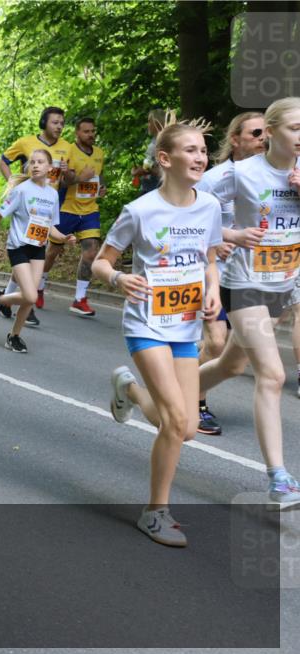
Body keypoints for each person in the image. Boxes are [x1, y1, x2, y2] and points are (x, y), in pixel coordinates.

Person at [92, 114, 223, 547]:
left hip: (185, 326)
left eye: (203, 150)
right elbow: (102, 261)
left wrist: (213, 291)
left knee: (185, 428)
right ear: (165, 159)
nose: (200, 157)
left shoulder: (210, 207)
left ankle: (129, 389)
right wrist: (118, 278)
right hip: (146, 323)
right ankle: (155, 513)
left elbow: (209, 260)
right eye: (191, 150)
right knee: (177, 420)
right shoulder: (140, 210)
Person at [198, 97, 300, 508]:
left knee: (231, 365)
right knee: (272, 375)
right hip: (245, 285)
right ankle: (279, 479)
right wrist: (227, 235)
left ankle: (160, 392)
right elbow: (187, 202)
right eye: (295, 128)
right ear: (271, 133)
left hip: (283, 285)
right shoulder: (240, 173)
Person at [193, 111, 266, 435]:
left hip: (252, 275)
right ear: (235, 139)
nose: (263, 139)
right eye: (256, 133)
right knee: (217, 342)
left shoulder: (275, 178)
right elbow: (189, 218)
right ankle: (195, 402)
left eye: (267, 133)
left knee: (237, 359)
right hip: (214, 271)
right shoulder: (216, 179)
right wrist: (220, 237)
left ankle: (179, 370)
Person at [0, 149, 73, 352]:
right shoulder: (22, 190)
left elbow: (50, 226)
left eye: (40, 162)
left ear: (50, 168)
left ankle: (14, 336)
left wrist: (63, 238)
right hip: (19, 247)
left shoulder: (52, 194)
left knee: (28, 299)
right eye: (32, 162)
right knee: (31, 296)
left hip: (38, 249)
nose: (35, 165)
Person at [40, 117, 107, 317]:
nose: (91, 135)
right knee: (53, 251)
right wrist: (79, 178)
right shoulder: (68, 150)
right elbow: (62, 181)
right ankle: (39, 286)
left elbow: (100, 175)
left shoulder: (99, 153)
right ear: (77, 133)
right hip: (67, 209)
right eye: (86, 131)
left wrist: (102, 187)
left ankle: (80, 299)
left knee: (91, 252)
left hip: (89, 211)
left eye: (93, 131)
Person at [131, 109, 166, 194]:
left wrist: (145, 170)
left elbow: (166, 173)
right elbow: (148, 167)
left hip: (158, 191)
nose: (148, 125)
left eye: (150, 121)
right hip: (148, 189)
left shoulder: (165, 142)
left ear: (157, 122)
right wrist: (140, 171)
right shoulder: (154, 141)